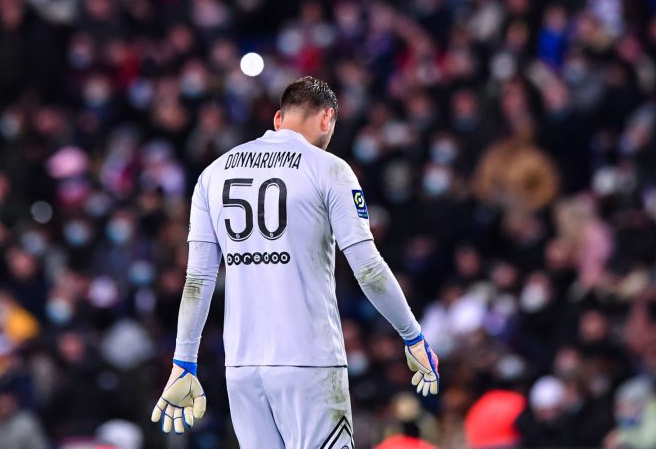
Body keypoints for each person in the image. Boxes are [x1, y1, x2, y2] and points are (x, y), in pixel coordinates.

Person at [151, 76, 440, 446]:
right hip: (308, 360)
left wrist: (183, 362)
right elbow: (367, 268)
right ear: (327, 119)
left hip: (242, 366)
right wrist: (411, 335)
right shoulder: (328, 169)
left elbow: (197, 281)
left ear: (277, 119)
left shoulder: (213, 174)